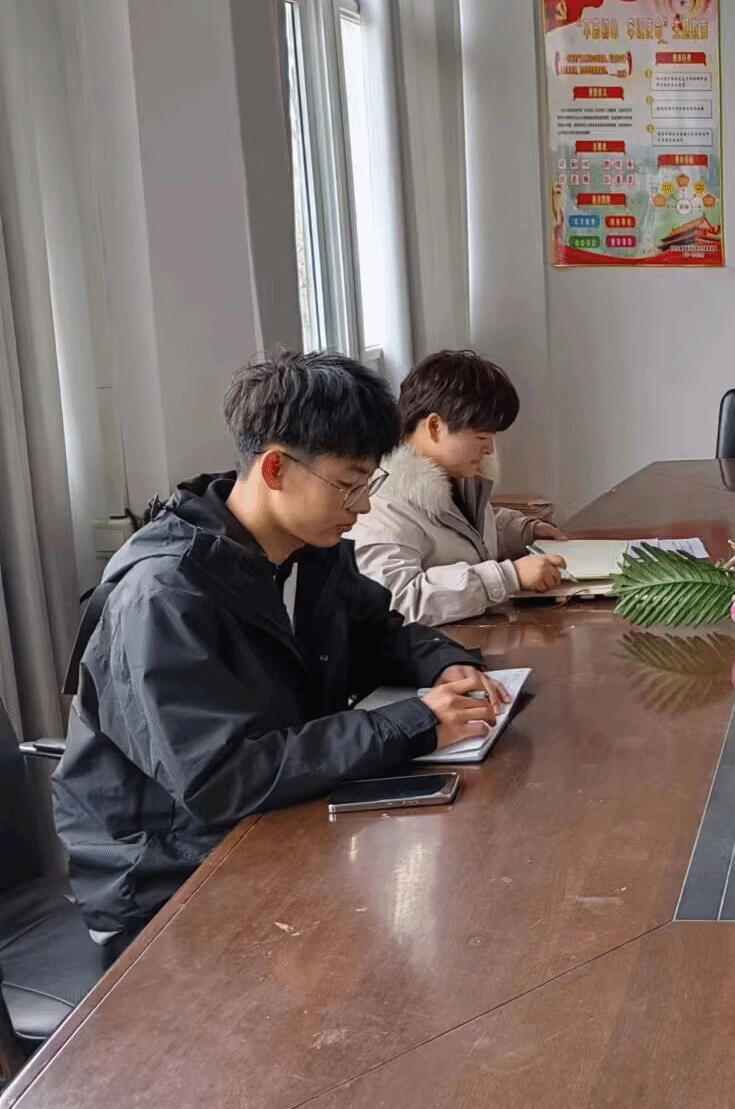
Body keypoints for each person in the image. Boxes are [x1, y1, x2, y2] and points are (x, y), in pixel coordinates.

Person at [53, 352, 507, 947]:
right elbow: (221, 778)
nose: (363, 506)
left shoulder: (310, 548)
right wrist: (415, 724)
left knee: (465, 898)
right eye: (348, 485)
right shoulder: (164, 596)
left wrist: (445, 663)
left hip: (279, 824)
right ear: (275, 468)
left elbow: (377, 631)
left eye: (368, 484)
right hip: (169, 882)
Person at [350, 350, 567, 626]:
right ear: (434, 427)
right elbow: (396, 601)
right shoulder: (381, 504)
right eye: (482, 437)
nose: (490, 449)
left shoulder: (454, 477)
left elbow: (462, 533)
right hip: (435, 651)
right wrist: (508, 577)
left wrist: (521, 531)